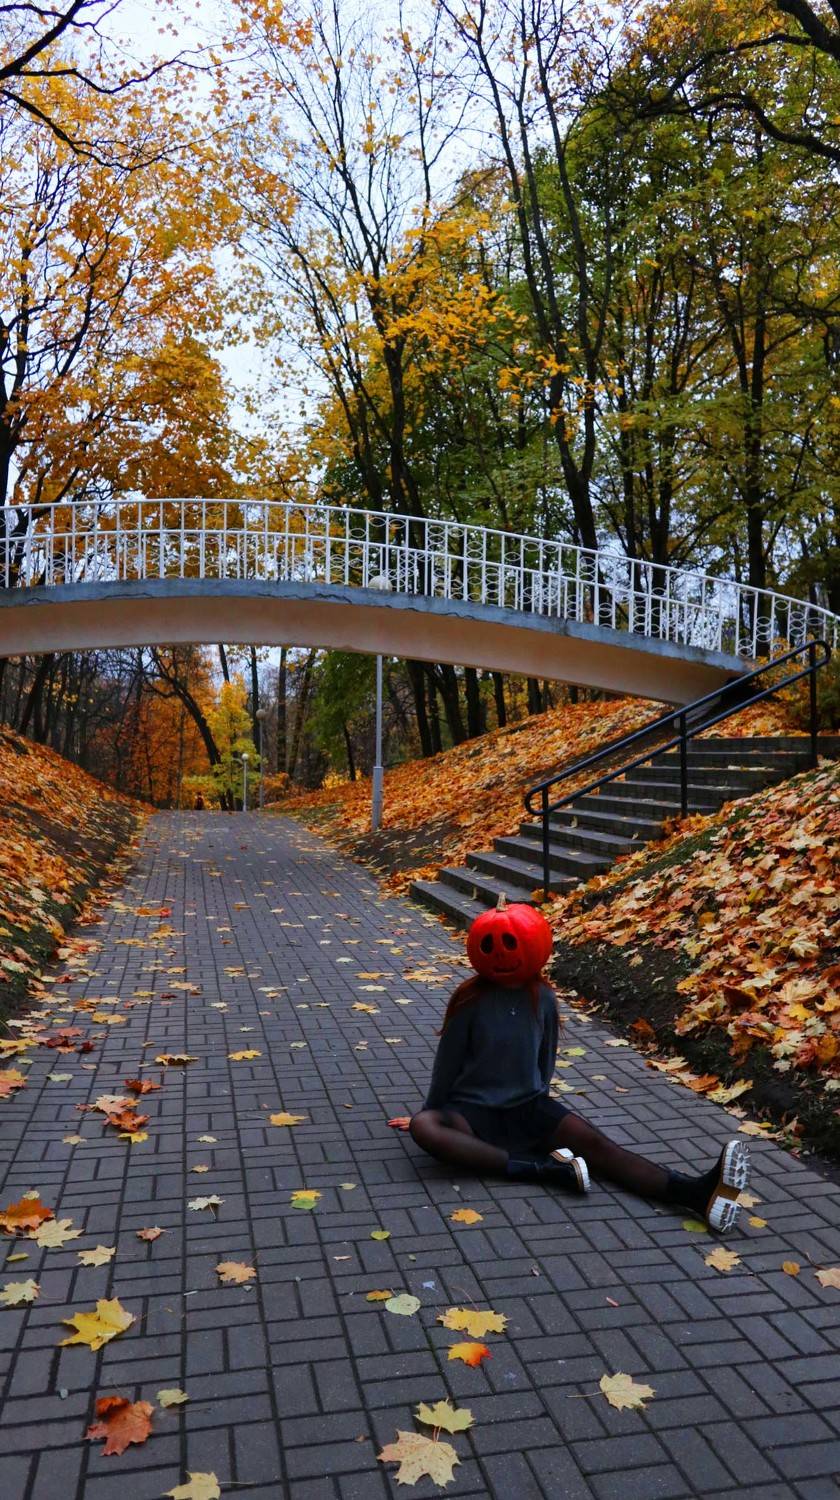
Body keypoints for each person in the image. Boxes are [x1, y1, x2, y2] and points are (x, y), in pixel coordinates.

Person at [408, 896, 750, 1233]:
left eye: (510, 943)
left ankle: (697, 1194)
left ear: (533, 945)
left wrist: (544, 1114)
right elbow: (447, 1062)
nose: (500, 953)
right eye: (489, 945)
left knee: (602, 1148)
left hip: (528, 1107)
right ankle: (544, 1170)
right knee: (424, 1126)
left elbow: (545, 1060)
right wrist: (432, 1109)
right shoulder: (470, 999)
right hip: (473, 1111)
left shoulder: (542, 997)